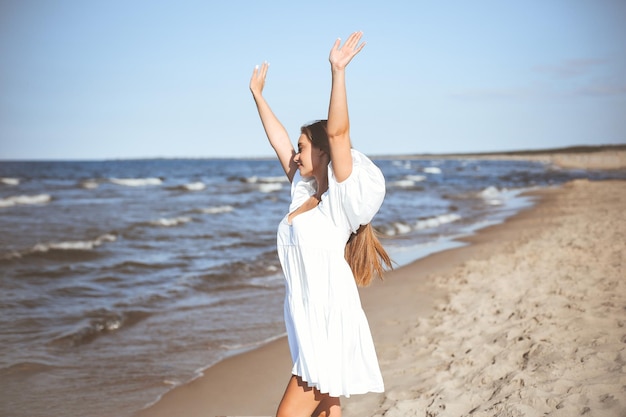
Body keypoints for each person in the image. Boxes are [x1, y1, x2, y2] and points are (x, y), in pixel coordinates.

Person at [249, 31, 392, 417]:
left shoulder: (338, 202)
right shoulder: (303, 195)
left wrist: (338, 71)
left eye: (302, 147)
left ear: (324, 153)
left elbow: (338, 132)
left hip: (330, 321)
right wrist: (258, 96)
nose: (295, 156)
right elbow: (279, 142)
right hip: (305, 319)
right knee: (328, 409)